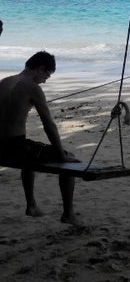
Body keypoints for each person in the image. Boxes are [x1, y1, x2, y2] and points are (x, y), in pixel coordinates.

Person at [0, 51, 80, 225]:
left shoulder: (4, 82)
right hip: (13, 148)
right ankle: (68, 214)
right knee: (69, 158)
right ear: (41, 69)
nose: (44, 81)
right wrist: (61, 155)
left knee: (29, 150)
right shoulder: (32, 87)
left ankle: (32, 205)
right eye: (46, 76)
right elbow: (48, 125)